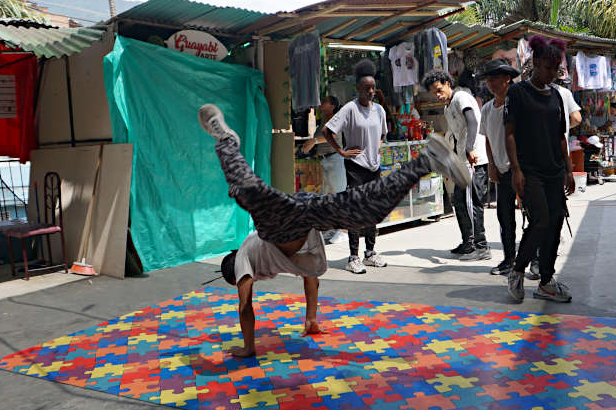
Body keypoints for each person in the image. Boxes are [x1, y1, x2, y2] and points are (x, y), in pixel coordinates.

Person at [198, 103, 464, 357]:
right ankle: (427, 160)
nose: (246, 283)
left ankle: (226, 140)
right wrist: (311, 318)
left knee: (248, 190)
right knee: (366, 210)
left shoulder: (244, 258)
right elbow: (310, 276)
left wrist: (248, 347)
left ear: (235, 273)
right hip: (305, 215)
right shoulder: (276, 260)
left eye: (239, 281)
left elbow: (245, 307)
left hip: (279, 225)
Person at [504, 35, 575, 304]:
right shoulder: (517, 93)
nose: (552, 74)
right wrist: (516, 170)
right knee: (541, 220)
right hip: (530, 170)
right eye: (547, 68)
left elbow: (560, 137)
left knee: (556, 223)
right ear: (534, 62)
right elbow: (509, 134)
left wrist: (568, 170)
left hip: (554, 170)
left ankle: (546, 280)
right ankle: (517, 270)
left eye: (556, 69)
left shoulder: (557, 96)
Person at [321, 60, 388, 274]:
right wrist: (341, 151)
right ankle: (353, 256)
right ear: (358, 89)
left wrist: (375, 149)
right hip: (356, 167)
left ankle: (370, 253)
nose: (371, 91)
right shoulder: (350, 109)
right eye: (366, 88)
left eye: (373, 88)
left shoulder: (379, 110)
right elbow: (327, 131)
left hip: (373, 167)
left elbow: (384, 134)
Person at [422, 67, 490, 261]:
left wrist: (470, 149)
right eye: (434, 92)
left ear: (447, 84)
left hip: (474, 159)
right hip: (461, 161)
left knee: (472, 203)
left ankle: (482, 246)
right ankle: (468, 243)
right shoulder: (448, 107)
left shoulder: (461, 98)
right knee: (459, 201)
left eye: (439, 89)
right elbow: (453, 136)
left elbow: (472, 121)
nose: (437, 95)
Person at [479, 58, 520, 276]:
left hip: (521, 169)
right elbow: (487, 139)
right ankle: (509, 259)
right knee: (505, 218)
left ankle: (534, 259)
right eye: (488, 79)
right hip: (502, 171)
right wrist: (492, 166)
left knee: (532, 216)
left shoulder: (518, 103)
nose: (491, 83)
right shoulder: (487, 109)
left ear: (507, 78)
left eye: (495, 78)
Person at [302, 95, 346, 241]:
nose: (321, 103)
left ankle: (343, 231)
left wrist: (314, 141)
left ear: (333, 106)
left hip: (334, 159)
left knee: (338, 195)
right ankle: (332, 228)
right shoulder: (323, 121)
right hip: (325, 161)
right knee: (328, 196)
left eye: (325, 101)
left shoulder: (335, 119)